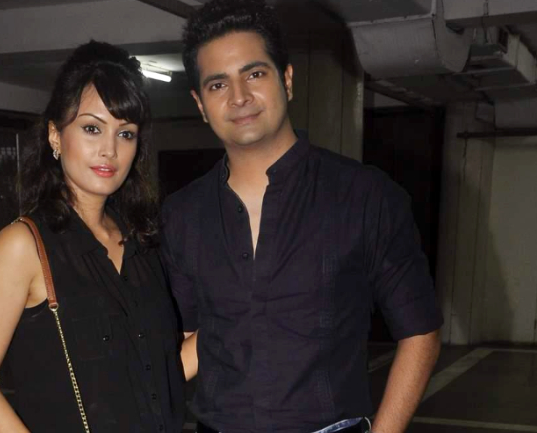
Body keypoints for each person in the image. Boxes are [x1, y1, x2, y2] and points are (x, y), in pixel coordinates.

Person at [160, 1, 443, 432]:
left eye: (255, 74)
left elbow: (420, 332)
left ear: (287, 80)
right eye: (218, 84)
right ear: (200, 103)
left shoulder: (364, 196)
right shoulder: (182, 214)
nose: (239, 97)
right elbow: (193, 341)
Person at [0, 40, 186, 433]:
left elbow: (162, 368)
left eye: (126, 134)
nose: (109, 150)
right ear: (55, 136)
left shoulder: (142, 242)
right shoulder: (23, 246)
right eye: (92, 128)